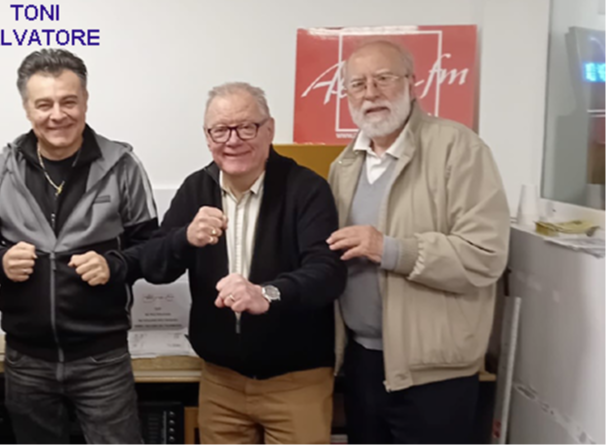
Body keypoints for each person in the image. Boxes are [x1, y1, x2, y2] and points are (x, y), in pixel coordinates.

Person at [121, 82, 347, 444]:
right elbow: (155, 267)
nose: (233, 140)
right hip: (220, 382)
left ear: (269, 129)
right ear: (207, 136)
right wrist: (184, 238)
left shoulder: (306, 188)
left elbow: (328, 274)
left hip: (296, 381)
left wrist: (267, 293)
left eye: (246, 127)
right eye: (221, 130)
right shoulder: (196, 188)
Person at [326, 40, 511, 445]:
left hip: (435, 373)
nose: (371, 93)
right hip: (362, 362)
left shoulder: (459, 149)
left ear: (413, 83)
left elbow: (485, 255)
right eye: (358, 84)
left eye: (383, 79)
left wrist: (390, 249)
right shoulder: (344, 166)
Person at [0, 48, 158, 445]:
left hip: (102, 359)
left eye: (68, 101)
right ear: (27, 108)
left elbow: (152, 248)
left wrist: (115, 264)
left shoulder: (122, 165)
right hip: (26, 360)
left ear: (86, 100)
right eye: (44, 104)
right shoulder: (0, 169)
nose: (57, 115)